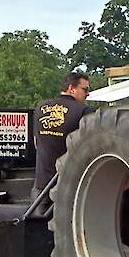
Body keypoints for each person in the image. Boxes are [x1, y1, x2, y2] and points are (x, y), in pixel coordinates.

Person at [30, 71, 92, 206]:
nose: (88, 94)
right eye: (85, 89)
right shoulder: (83, 111)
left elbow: (36, 143)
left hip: (41, 186)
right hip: (69, 187)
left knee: (37, 226)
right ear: (71, 88)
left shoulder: (41, 108)